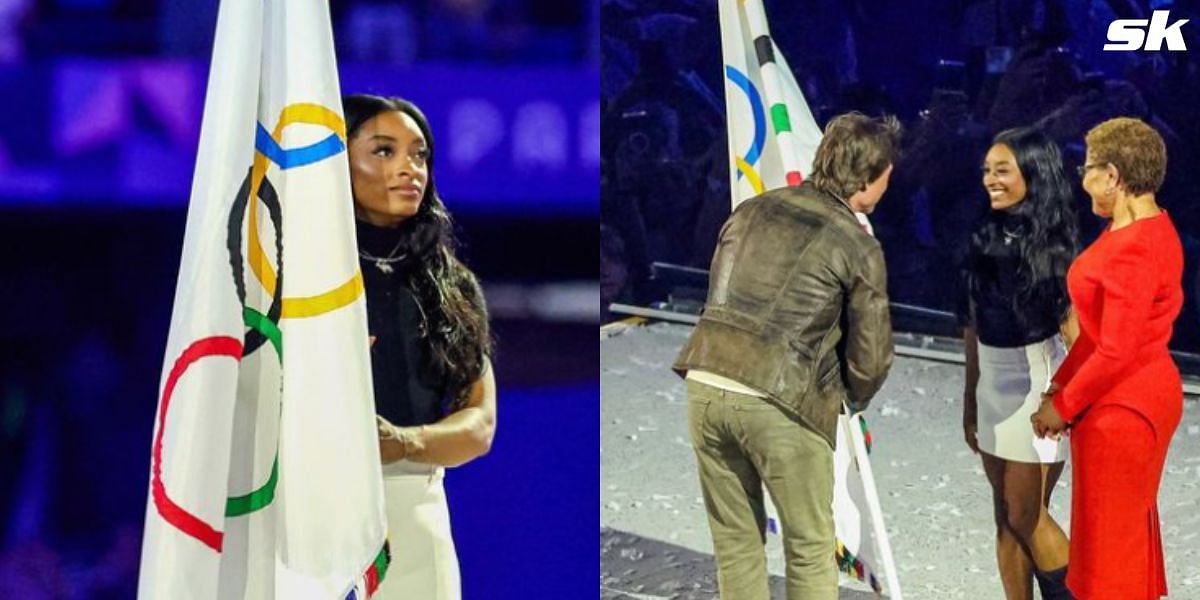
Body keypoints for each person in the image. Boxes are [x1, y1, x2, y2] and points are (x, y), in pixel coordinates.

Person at [672, 112, 899, 600]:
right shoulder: (857, 243)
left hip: (706, 382)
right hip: (781, 400)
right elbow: (871, 357)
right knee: (810, 546)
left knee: (736, 543)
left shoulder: (751, 210)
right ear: (867, 179)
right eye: (887, 174)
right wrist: (849, 400)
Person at [343, 94, 496, 600]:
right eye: (384, 151)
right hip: (303, 515)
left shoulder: (450, 285)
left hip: (412, 517)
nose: (409, 169)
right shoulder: (296, 279)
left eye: (420, 155)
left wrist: (404, 443)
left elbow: (480, 424)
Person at [1032, 117, 1182, 600]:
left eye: (1088, 168)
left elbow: (1115, 348)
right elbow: (1101, 334)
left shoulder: (1133, 248)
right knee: (1117, 542)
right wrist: (1064, 384)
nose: (1083, 178)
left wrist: (1064, 403)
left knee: (1110, 554)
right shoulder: (1146, 227)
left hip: (1124, 409)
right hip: (1131, 395)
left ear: (1113, 177)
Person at [960, 127, 1078, 600]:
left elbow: (1079, 339)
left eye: (1003, 169)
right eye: (987, 169)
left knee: (1027, 513)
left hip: (1036, 383)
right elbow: (970, 322)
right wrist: (969, 397)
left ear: (1032, 173)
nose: (991, 178)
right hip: (992, 378)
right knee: (1006, 515)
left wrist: (1063, 398)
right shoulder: (979, 236)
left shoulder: (1055, 249)